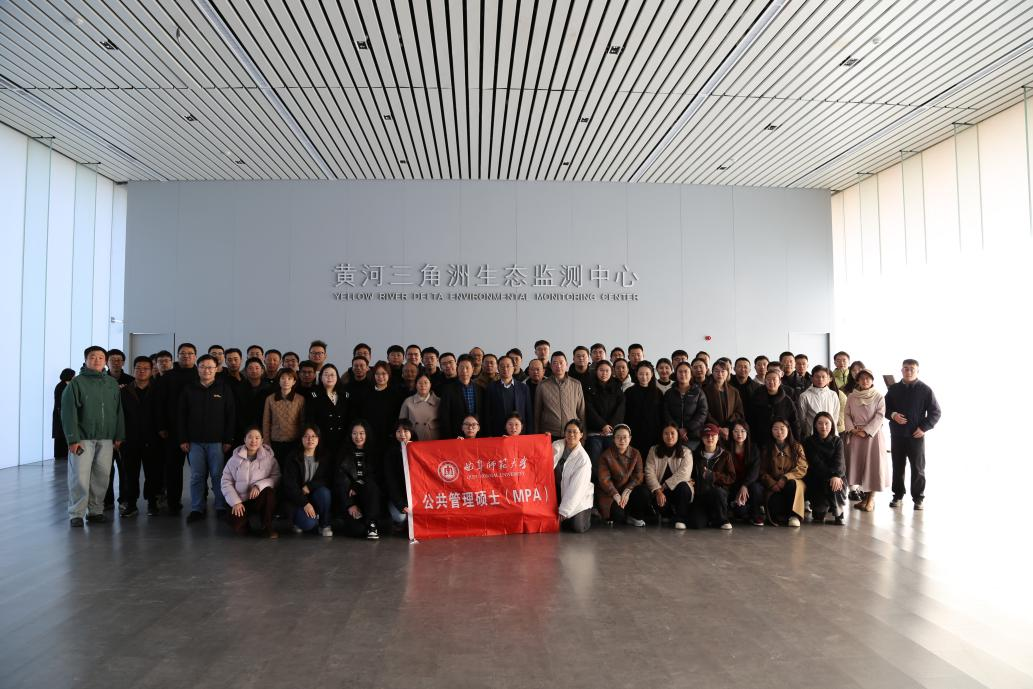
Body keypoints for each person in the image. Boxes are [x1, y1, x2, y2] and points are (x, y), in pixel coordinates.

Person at [62, 346, 125, 527]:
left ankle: (96, 511)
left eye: (100, 357)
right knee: (79, 476)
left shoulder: (111, 383)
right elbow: (68, 413)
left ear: (105, 361)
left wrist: (119, 435)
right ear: (86, 360)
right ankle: (76, 513)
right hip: (82, 438)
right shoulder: (76, 383)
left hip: (106, 438)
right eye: (92, 357)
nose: (97, 360)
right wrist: (72, 439)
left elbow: (118, 411)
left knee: (102, 476)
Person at [179, 354, 236, 524]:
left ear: (216, 369)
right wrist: (183, 439)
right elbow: (181, 415)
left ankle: (220, 506)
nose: (207, 370)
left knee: (218, 475)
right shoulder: (189, 389)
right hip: (194, 442)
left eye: (210, 367)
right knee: (197, 476)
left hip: (217, 442)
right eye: (203, 367)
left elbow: (231, 415)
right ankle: (197, 508)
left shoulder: (224, 388)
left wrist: (228, 439)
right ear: (198, 369)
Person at [885, 359, 940, 510]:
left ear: (917, 371)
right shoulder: (893, 389)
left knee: (918, 468)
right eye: (906, 368)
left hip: (916, 436)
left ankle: (918, 498)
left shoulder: (925, 390)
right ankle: (897, 496)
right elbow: (884, 408)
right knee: (897, 466)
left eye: (912, 369)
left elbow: (935, 412)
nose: (908, 371)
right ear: (901, 370)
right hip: (897, 435)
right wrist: (893, 415)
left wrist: (924, 428)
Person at [156, 342, 199, 515]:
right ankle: (173, 502)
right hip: (172, 430)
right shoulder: (168, 376)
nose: (186, 356)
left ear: (195, 356)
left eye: (190, 353)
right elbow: (159, 403)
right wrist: (161, 426)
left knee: (198, 469)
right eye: (182, 353)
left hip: (196, 430)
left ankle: (200, 502)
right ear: (177, 356)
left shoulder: (201, 374)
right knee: (173, 468)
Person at [119, 356, 161, 518]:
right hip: (130, 438)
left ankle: (152, 502)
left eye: (145, 368)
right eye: (138, 368)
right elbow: (118, 415)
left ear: (151, 370)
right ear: (133, 369)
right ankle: (131, 504)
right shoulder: (124, 391)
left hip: (153, 438)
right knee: (130, 473)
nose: (141, 371)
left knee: (153, 473)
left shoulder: (158, 389)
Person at [221, 427, 280, 538]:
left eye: (257, 438)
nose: (253, 441)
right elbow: (226, 481)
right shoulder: (234, 459)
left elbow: (276, 477)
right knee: (240, 529)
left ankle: (267, 526)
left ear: (262, 440)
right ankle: (242, 521)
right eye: (250, 437)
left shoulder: (269, 458)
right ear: (244, 439)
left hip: (258, 498)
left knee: (269, 493)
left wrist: (259, 486)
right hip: (240, 501)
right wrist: (235, 502)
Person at [845, 369, 889, 512]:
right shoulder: (852, 396)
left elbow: (880, 416)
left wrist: (866, 431)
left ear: (872, 380)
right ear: (857, 380)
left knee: (873, 467)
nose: (865, 381)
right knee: (859, 467)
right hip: (856, 435)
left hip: (872, 436)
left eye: (868, 378)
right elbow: (846, 414)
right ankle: (864, 499)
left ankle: (871, 500)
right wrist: (852, 430)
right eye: (862, 378)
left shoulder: (878, 396)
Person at [282, 424, 333, 537]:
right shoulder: (293, 457)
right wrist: (305, 503)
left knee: (325, 493)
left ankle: (324, 525)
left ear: (318, 439)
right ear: (301, 439)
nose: (310, 439)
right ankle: (299, 521)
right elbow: (289, 486)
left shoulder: (325, 456)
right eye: (306, 436)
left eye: (314, 436)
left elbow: (328, 479)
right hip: (297, 500)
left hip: (315, 496)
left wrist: (310, 486)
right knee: (308, 524)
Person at [335, 420, 381, 540]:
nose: (358, 437)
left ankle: (372, 523)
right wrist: (350, 504)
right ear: (350, 435)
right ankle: (367, 524)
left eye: (361, 433)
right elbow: (340, 482)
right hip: (351, 497)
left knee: (371, 485)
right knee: (357, 530)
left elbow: (375, 477)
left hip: (369, 498)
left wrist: (357, 485)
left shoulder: (375, 453)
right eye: (354, 433)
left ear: (367, 434)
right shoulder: (343, 453)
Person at [595, 425, 649, 527]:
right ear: (613, 439)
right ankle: (622, 515)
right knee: (618, 516)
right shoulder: (606, 455)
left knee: (644, 492)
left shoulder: (636, 453)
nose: (622, 440)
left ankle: (634, 517)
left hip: (628, 491)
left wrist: (627, 490)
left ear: (630, 438)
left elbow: (638, 476)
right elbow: (604, 480)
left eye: (625, 437)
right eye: (618, 437)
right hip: (611, 494)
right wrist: (615, 495)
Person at [643, 424, 695, 529]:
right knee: (649, 494)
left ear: (678, 435)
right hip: (661, 492)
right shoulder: (653, 450)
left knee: (684, 487)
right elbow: (649, 472)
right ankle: (667, 514)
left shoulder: (686, 451)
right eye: (666, 433)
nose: (669, 436)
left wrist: (663, 486)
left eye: (672, 433)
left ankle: (680, 519)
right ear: (662, 435)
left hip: (678, 491)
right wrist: (658, 490)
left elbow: (684, 474)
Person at [760, 418, 808, 527]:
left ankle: (794, 516)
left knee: (793, 484)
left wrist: (785, 478)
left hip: (793, 483)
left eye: (782, 428)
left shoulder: (797, 447)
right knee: (777, 513)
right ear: (771, 431)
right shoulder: (767, 448)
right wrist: (772, 483)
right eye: (775, 429)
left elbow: (802, 467)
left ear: (788, 430)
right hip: (774, 486)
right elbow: (762, 470)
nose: (779, 432)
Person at [802, 412, 846, 524]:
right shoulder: (808, 441)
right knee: (818, 517)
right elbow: (816, 463)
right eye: (820, 423)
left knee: (836, 482)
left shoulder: (837, 441)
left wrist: (836, 475)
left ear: (832, 425)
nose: (824, 426)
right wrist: (831, 475)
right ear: (815, 425)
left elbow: (839, 462)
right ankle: (822, 506)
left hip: (835, 478)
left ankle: (839, 513)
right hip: (817, 478)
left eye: (827, 423)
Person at [689, 424, 735, 529]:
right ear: (702, 438)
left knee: (717, 492)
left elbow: (731, 477)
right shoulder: (695, 455)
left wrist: (713, 476)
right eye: (706, 435)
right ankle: (710, 518)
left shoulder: (725, 455)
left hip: (718, 496)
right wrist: (691, 480)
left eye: (713, 435)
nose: (709, 438)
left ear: (718, 437)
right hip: (700, 495)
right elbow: (691, 474)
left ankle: (722, 519)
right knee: (696, 524)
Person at [552, 419, 593, 533]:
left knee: (577, 527)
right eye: (568, 431)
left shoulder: (583, 459)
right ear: (564, 433)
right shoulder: (556, 447)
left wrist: (564, 510)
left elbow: (577, 488)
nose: (571, 434)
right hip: (558, 491)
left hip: (578, 494)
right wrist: (544, 438)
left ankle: (590, 512)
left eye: (575, 432)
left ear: (581, 435)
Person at [534, 352, 586, 440]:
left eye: (561, 363)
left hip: (572, 434)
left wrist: (583, 436)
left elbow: (581, 412)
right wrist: (536, 435)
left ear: (566, 364)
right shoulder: (542, 385)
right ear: (551, 366)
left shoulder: (576, 384)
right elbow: (537, 412)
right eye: (555, 363)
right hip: (549, 433)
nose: (558, 366)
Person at [583, 359, 625, 468]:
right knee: (595, 462)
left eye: (607, 371)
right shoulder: (589, 387)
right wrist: (602, 425)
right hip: (595, 433)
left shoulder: (617, 387)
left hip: (612, 432)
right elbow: (589, 409)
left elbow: (620, 409)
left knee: (613, 464)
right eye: (601, 370)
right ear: (596, 371)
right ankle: (596, 479)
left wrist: (610, 426)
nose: (604, 373)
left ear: (611, 372)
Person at [724, 420, 764, 526]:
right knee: (740, 512)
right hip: (732, 484)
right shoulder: (726, 448)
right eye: (736, 431)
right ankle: (735, 509)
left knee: (757, 488)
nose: (739, 434)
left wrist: (745, 485)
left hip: (749, 483)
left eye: (742, 431)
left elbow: (755, 471)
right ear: (731, 433)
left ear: (747, 433)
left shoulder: (754, 448)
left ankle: (756, 514)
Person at [304, 363, 349, 455]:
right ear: (321, 377)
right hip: (322, 441)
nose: (329, 377)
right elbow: (310, 420)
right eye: (326, 374)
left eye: (332, 375)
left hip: (342, 441)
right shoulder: (314, 396)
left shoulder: (345, 395)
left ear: (337, 377)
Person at [262, 368, 306, 461]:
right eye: (283, 378)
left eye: (289, 378)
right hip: (275, 441)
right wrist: (266, 442)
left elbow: (302, 422)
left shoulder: (300, 399)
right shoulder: (270, 399)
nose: (286, 381)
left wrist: (302, 441)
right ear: (278, 381)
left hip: (294, 442)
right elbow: (266, 422)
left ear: (294, 382)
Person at [662, 361, 708, 450]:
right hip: (673, 435)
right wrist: (677, 429)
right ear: (676, 374)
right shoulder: (669, 393)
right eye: (680, 372)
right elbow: (665, 412)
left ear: (691, 374)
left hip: (693, 436)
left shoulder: (698, 392)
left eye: (686, 371)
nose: (683, 374)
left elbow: (703, 412)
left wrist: (687, 429)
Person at [747, 369, 798, 448]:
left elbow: (794, 422)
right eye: (768, 379)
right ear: (765, 382)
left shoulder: (787, 400)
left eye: (774, 379)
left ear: (780, 382)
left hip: (782, 440)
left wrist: (796, 441)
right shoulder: (756, 398)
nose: (771, 382)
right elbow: (750, 420)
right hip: (760, 440)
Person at [484, 356, 534, 436]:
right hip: (498, 433)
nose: (505, 369)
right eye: (502, 366)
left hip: (520, 433)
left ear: (513, 368)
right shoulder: (491, 388)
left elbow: (528, 413)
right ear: (498, 368)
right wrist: (489, 434)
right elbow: (487, 414)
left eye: (508, 366)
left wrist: (529, 433)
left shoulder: (523, 388)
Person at [438, 356, 484, 439]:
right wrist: (448, 437)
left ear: (473, 369)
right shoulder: (448, 390)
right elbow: (444, 416)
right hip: (455, 435)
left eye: (467, 368)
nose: (464, 371)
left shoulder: (480, 389)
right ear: (457, 368)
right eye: (461, 367)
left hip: (477, 435)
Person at [624, 360, 664, 458]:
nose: (644, 377)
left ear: (652, 374)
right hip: (634, 434)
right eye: (641, 374)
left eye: (647, 374)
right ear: (636, 374)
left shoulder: (658, 393)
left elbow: (661, 415)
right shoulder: (629, 392)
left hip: (654, 434)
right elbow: (625, 414)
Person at [383, 419, 416, 535]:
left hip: (416, 497)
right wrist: (401, 504)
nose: (402, 434)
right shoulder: (390, 454)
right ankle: (400, 524)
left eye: (405, 431)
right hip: (399, 497)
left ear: (411, 432)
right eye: (398, 431)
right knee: (400, 517)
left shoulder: (419, 449)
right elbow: (391, 483)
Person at [364, 361, 405, 445]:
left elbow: (398, 417)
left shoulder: (396, 395)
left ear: (388, 375)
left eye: (383, 374)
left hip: (390, 437)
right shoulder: (366, 394)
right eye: (377, 374)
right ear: (374, 375)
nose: (380, 377)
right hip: (370, 436)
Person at [703, 361, 744, 441]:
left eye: (723, 371)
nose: (720, 374)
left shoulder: (734, 391)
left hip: (730, 430)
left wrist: (728, 426)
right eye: (716, 371)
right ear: (712, 373)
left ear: (727, 373)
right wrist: (718, 428)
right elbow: (704, 412)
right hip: (711, 431)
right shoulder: (705, 390)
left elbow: (739, 412)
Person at [796, 366, 840, 439]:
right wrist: (809, 430)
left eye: (823, 377)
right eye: (817, 377)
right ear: (811, 378)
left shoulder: (833, 394)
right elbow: (802, 419)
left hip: (831, 435)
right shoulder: (804, 396)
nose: (820, 379)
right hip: (812, 435)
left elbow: (835, 416)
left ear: (828, 379)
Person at [398, 373, 441, 441]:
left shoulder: (439, 402)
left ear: (430, 385)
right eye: (420, 383)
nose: (423, 385)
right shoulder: (408, 401)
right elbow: (402, 424)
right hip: (414, 439)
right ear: (416, 385)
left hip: (434, 439)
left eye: (425, 382)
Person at [52, 368, 75, 461]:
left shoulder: (67, 385)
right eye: (73, 375)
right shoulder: (61, 386)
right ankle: (60, 455)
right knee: (60, 435)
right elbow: (60, 402)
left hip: (63, 413)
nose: (74, 377)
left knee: (63, 434)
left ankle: (64, 454)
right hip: (60, 413)